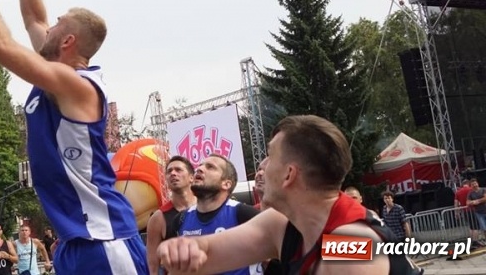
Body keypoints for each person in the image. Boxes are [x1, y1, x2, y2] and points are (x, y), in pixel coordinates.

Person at [0, 0, 148, 274]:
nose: (46, 27)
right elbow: (34, 16)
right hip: (75, 242)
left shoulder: (76, 85)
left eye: (58, 24)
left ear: (67, 42)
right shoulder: (57, 72)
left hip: (105, 241)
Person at [158, 115, 396, 274]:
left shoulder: (351, 246)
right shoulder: (282, 225)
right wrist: (180, 250)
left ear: (289, 174)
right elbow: (207, 254)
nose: (262, 167)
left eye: (270, 157)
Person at [177, 153, 260, 275]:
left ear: (226, 184)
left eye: (210, 167)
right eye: (200, 165)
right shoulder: (180, 220)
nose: (199, 169)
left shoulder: (244, 214)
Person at [146, 155, 196, 275]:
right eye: (169, 171)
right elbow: (152, 264)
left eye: (178, 170)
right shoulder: (158, 218)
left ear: (191, 178)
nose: (173, 173)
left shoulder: (208, 208)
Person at [455, 179, 481, 245]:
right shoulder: (471, 189)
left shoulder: (458, 192)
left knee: (471, 227)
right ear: (468, 184)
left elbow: (456, 203)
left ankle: (472, 241)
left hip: (465, 211)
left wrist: (457, 213)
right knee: (476, 226)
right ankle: (476, 241)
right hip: (474, 210)